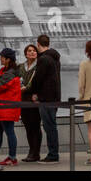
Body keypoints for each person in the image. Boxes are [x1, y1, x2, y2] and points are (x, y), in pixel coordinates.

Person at [29, 34, 62, 162]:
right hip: (54, 96)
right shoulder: (55, 58)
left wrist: (33, 92)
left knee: (49, 126)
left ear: (38, 44)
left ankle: (53, 154)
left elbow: (38, 79)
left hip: (46, 98)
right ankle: (53, 152)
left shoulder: (43, 59)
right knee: (52, 125)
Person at [0, 47, 22, 166]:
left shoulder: (9, 74)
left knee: (8, 132)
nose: (0, 58)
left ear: (8, 59)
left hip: (6, 108)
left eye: (2, 57)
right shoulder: (6, 72)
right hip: (2, 107)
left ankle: (12, 157)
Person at [18, 44, 41, 161]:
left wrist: (26, 88)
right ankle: (31, 151)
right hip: (23, 99)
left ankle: (36, 153)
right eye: (29, 51)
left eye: (34, 51)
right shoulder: (21, 67)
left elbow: (38, 82)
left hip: (33, 99)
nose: (32, 52)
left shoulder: (39, 66)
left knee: (35, 126)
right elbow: (17, 79)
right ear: (26, 53)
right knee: (27, 126)